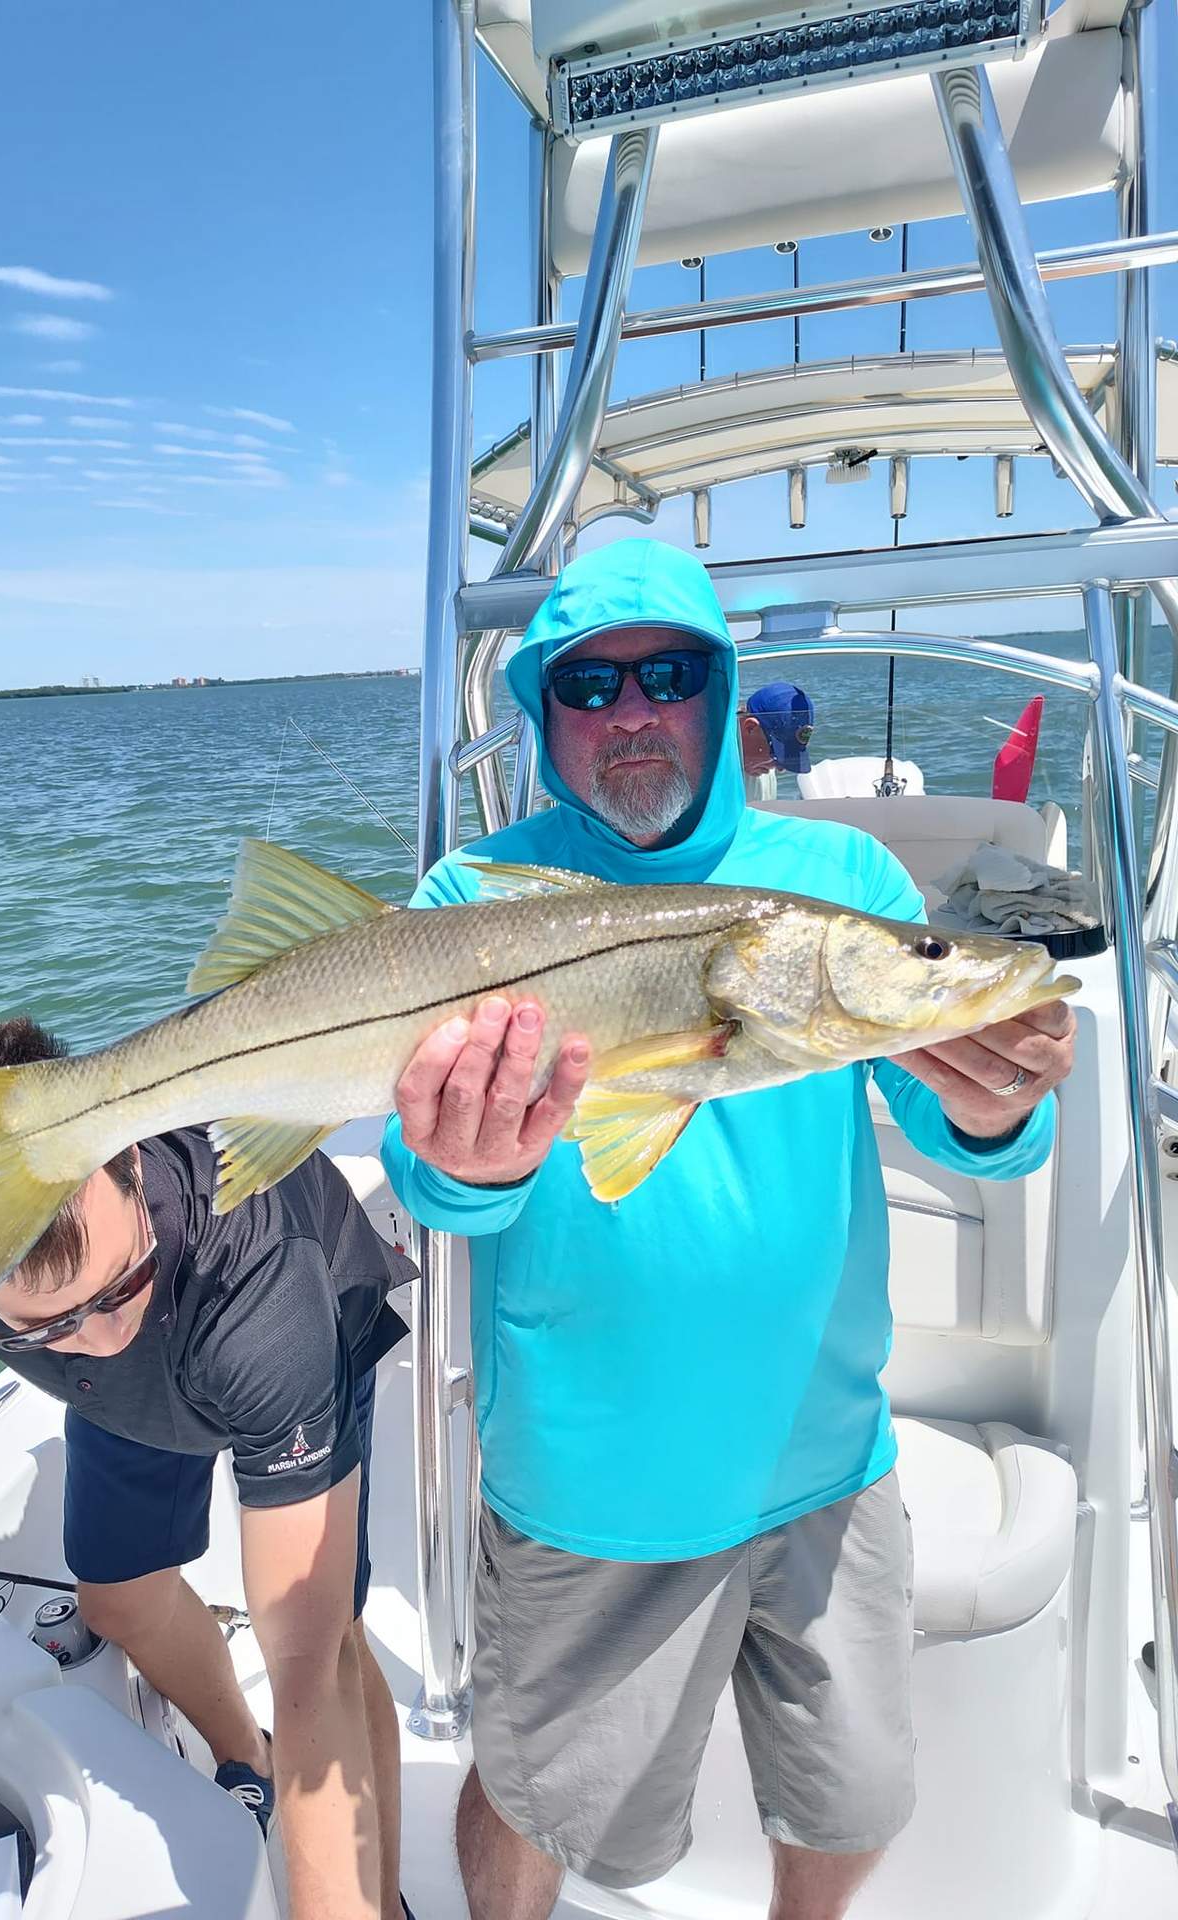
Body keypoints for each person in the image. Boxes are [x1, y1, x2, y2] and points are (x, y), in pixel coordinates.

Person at [380, 539, 1074, 1920]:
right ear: (541, 710)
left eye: (671, 673)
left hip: (831, 1459)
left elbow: (962, 1127)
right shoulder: (473, 899)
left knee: (856, 1795)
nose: (632, 709)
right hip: (596, 1486)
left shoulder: (836, 877)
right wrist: (459, 1166)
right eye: (589, 683)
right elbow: (433, 1175)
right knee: (534, 1806)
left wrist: (1000, 1110)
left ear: (724, 689)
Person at [0, 1016, 417, 1920]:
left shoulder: (266, 1299)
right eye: (44, 1324)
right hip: (132, 1398)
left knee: (334, 1644)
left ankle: (382, 1898)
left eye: (118, 1284)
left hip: (287, 1328)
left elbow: (308, 1671)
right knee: (118, 1601)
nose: (102, 1336)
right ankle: (246, 1755)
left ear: (130, 1159)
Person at [739, 679, 815, 801]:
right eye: (775, 753)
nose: (781, 769)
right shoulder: (706, 769)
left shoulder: (757, 766)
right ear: (750, 728)